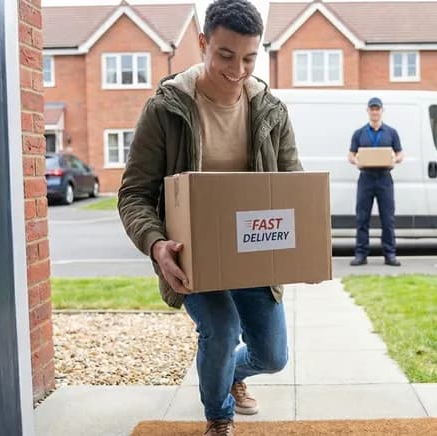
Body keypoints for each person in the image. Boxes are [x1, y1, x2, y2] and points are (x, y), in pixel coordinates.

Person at [117, 1, 302, 434]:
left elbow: (294, 188)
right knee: (221, 327)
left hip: (253, 251)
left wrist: (299, 251)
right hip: (193, 252)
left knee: (273, 357)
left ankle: (233, 374)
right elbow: (133, 194)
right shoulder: (166, 110)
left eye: (249, 57)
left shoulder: (271, 111)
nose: (238, 69)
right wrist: (157, 245)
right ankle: (218, 416)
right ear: (203, 43)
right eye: (225, 55)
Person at [348, 97, 404, 267]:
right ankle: (361, 254)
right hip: (366, 177)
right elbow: (351, 154)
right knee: (362, 218)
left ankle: (390, 255)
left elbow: (400, 153)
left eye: (377, 109)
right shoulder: (359, 133)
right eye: (372, 109)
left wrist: (395, 159)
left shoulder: (391, 132)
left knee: (388, 219)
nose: (374, 112)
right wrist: (356, 161)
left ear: (381, 111)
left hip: (385, 178)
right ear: (368, 111)